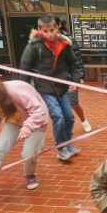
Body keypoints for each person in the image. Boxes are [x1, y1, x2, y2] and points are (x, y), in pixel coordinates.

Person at [20, 14, 80, 161]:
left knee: (69, 117)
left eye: (52, 30)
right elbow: (25, 68)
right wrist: (25, 91)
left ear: (57, 28)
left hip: (62, 88)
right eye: (45, 31)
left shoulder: (64, 44)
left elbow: (74, 65)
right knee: (58, 117)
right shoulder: (34, 46)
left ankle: (67, 143)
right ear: (40, 30)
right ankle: (60, 148)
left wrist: (75, 81)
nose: (49, 34)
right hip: (45, 89)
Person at [0, 80, 49, 190]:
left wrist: (28, 127)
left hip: (37, 122)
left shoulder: (15, 90)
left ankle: (30, 175)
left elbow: (39, 110)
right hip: (13, 122)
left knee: (28, 154)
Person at [54, 16, 92, 133]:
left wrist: (80, 76)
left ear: (59, 25)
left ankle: (84, 120)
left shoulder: (68, 39)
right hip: (54, 78)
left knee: (73, 102)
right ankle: (67, 124)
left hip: (70, 76)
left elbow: (77, 59)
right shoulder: (43, 41)